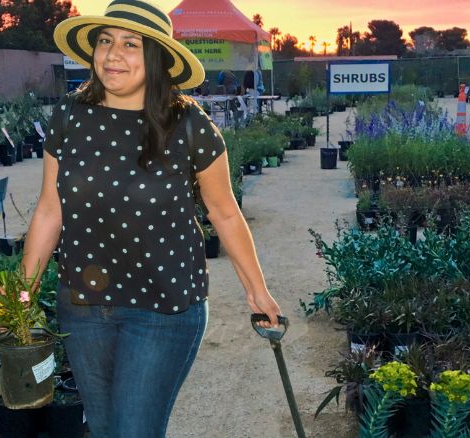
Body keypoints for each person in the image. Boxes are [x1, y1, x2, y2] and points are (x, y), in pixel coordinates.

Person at [21, 0, 283, 436]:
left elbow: (224, 211)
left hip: (163, 307)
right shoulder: (69, 116)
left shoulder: (189, 124)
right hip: (83, 307)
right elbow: (51, 207)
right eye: (105, 41)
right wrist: (23, 291)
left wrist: (257, 291)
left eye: (131, 45)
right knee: (105, 430)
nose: (112, 54)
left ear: (158, 58)